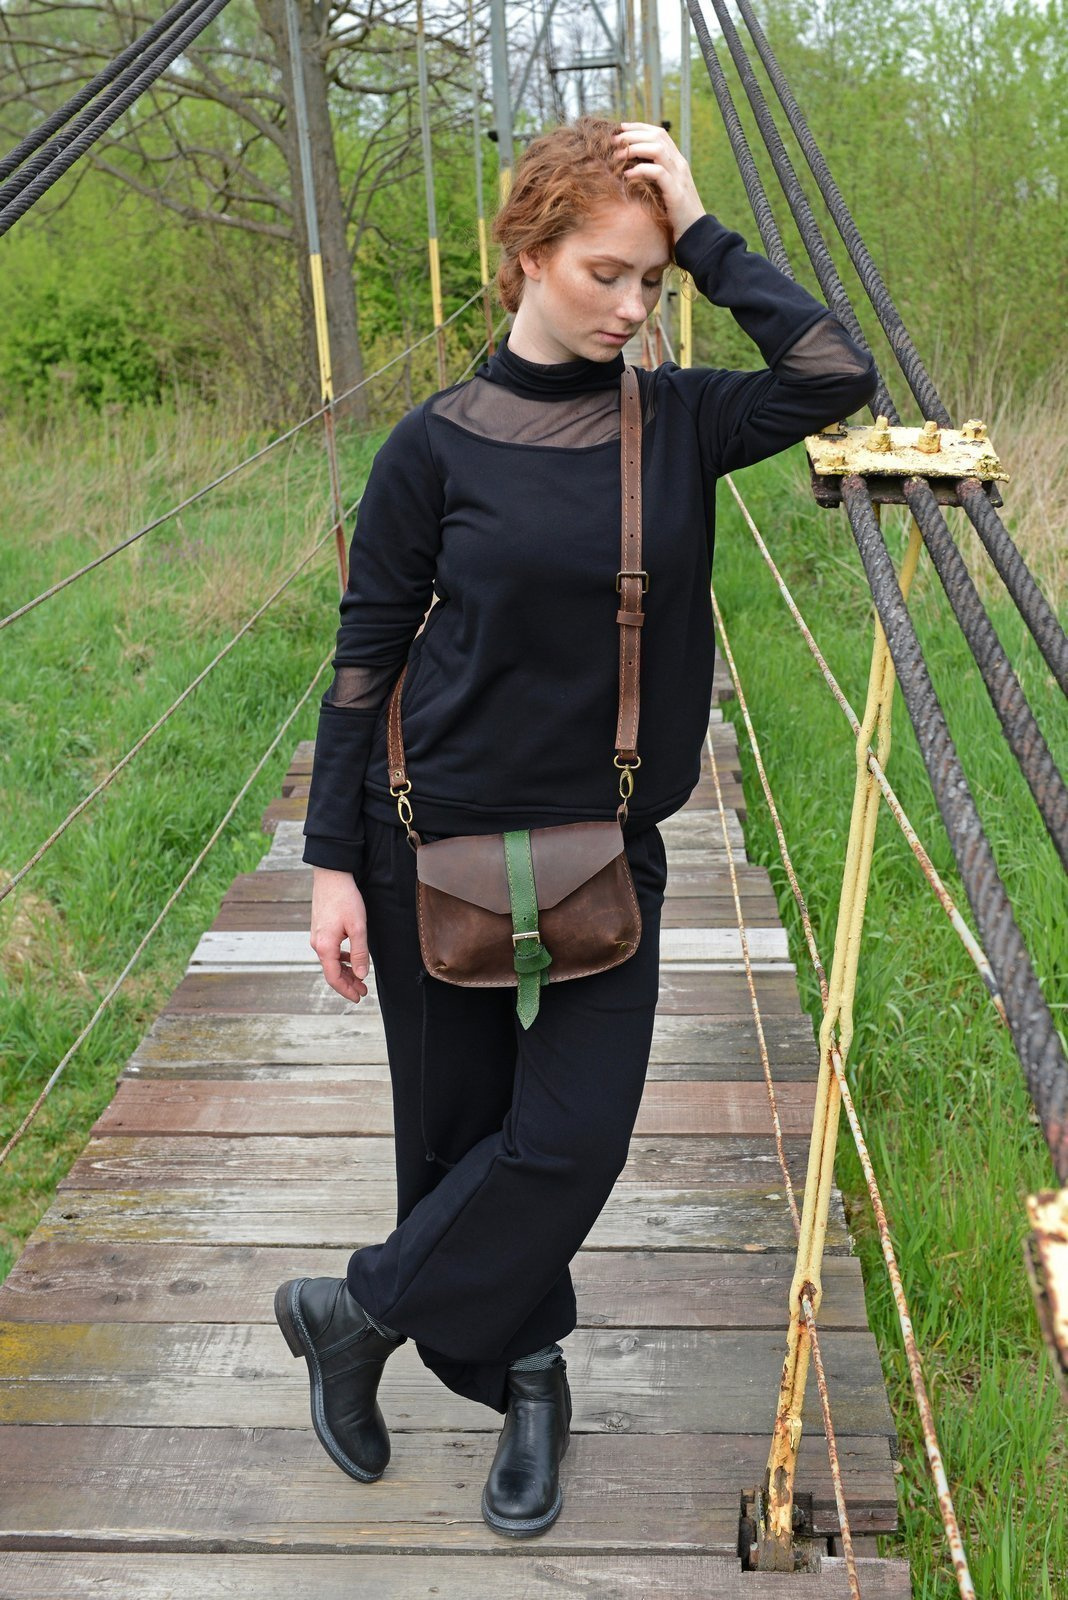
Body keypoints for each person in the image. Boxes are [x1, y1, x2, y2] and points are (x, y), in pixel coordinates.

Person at [273, 115, 877, 1538]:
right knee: (455, 1142)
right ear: (528, 259)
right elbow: (364, 657)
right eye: (608, 274)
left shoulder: (680, 422)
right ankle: (525, 1381)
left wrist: (705, 231)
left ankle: (355, 1315)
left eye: (652, 282)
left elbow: (833, 372)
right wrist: (328, 865)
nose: (632, 308)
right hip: (426, 838)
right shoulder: (432, 447)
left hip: (605, 846)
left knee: (570, 1140)